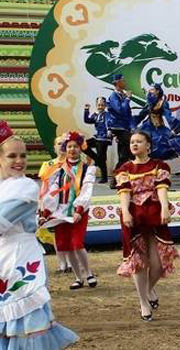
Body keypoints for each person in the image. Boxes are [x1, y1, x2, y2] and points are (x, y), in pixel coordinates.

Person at [0, 120, 79, 349]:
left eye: (23, 156)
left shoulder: (25, 187)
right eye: (12, 156)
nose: (19, 161)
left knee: (26, 322)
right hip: (4, 259)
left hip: (21, 258)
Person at [114, 130, 179, 321]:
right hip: (134, 216)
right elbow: (124, 192)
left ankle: (149, 289)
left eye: (139, 141)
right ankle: (143, 302)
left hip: (154, 214)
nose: (134, 144)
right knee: (138, 262)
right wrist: (125, 211)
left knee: (158, 264)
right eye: (132, 142)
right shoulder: (124, 168)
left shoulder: (159, 165)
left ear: (148, 145)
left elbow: (161, 188)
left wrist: (165, 207)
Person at [40, 131, 98, 290]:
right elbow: (53, 190)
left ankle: (89, 274)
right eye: (69, 146)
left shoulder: (87, 169)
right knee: (65, 245)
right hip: (61, 212)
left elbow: (86, 190)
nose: (72, 149)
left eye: (76, 146)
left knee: (77, 243)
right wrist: (46, 211)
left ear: (81, 148)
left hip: (78, 211)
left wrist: (79, 209)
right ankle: (78, 278)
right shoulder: (59, 170)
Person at [37, 134, 71, 273]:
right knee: (56, 234)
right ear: (54, 147)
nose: (61, 146)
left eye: (64, 143)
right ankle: (62, 263)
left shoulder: (74, 164)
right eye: (59, 144)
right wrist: (41, 202)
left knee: (68, 233)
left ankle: (71, 262)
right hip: (52, 203)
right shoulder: (48, 165)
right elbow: (45, 185)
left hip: (69, 201)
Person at [135, 83, 176, 160]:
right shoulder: (149, 103)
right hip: (148, 126)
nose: (150, 91)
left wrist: (174, 127)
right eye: (150, 90)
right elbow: (142, 114)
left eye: (152, 90)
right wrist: (132, 124)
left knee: (161, 142)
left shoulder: (163, 103)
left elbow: (168, 116)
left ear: (157, 91)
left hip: (159, 127)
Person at [107, 74, 134, 187]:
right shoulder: (114, 96)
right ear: (117, 82)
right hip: (119, 127)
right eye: (123, 81)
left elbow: (128, 113)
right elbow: (120, 111)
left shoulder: (120, 95)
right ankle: (115, 179)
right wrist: (127, 99)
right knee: (126, 155)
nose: (125, 82)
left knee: (126, 154)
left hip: (124, 127)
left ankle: (119, 178)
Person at [83, 97, 112, 183]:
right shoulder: (95, 115)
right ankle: (96, 159)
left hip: (104, 138)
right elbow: (87, 120)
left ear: (105, 106)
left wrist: (109, 130)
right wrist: (86, 110)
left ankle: (104, 177)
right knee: (84, 145)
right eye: (99, 105)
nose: (100, 107)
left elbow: (108, 123)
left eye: (102, 105)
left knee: (102, 158)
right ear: (96, 105)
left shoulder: (106, 114)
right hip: (97, 137)